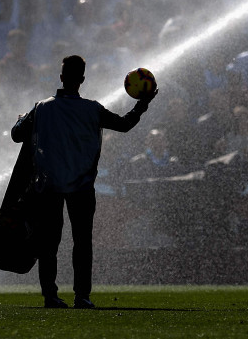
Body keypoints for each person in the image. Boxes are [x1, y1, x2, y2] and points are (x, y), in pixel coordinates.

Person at [10, 54, 156, 309]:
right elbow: (124, 125)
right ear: (82, 80)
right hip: (81, 186)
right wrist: (142, 104)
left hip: (48, 185)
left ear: (62, 77)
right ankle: (82, 296)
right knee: (82, 242)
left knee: (49, 243)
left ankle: (50, 296)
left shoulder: (42, 107)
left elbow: (16, 135)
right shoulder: (92, 108)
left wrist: (22, 118)